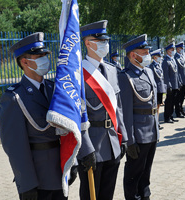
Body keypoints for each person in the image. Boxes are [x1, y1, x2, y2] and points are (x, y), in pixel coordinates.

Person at [0, 32, 68, 200]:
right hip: (38, 178)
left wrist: (70, 163)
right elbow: (15, 147)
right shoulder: (14, 97)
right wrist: (26, 183)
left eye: (45, 54)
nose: (44, 58)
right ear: (25, 62)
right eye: (39, 55)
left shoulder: (54, 90)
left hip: (59, 172)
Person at [77, 20, 128, 200]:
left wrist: (124, 138)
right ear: (87, 43)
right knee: (90, 195)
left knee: (107, 194)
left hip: (112, 142)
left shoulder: (112, 70)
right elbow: (76, 116)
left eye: (105, 40)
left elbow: (118, 108)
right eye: (99, 41)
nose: (104, 44)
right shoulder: (77, 74)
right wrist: (85, 149)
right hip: (92, 145)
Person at [119, 34, 159, 200]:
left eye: (147, 50)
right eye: (144, 51)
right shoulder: (125, 76)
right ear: (133, 55)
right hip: (138, 134)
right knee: (134, 172)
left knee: (146, 171)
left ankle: (145, 195)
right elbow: (125, 112)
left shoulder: (148, 71)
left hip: (152, 130)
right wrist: (129, 140)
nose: (147, 54)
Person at [162, 42, 181, 123]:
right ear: (168, 51)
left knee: (173, 101)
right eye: (172, 50)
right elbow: (166, 75)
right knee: (169, 101)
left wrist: (179, 82)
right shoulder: (165, 61)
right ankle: (167, 117)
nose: (173, 51)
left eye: (173, 50)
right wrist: (168, 86)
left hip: (175, 84)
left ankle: (171, 115)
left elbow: (176, 73)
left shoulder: (172, 59)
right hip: (170, 85)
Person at [149, 49, 166, 129]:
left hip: (160, 89)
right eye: (159, 56)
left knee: (158, 107)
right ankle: (155, 123)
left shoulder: (158, 65)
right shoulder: (152, 66)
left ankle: (157, 122)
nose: (160, 58)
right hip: (155, 89)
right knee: (155, 107)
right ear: (155, 57)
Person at [174, 41, 185, 118]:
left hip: (184, 80)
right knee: (178, 98)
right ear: (177, 49)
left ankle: (181, 109)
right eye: (181, 48)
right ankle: (178, 111)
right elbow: (176, 71)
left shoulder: (182, 56)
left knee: (183, 96)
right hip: (180, 81)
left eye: (182, 48)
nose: (182, 49)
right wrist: (179, 80)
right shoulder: (175, 57)